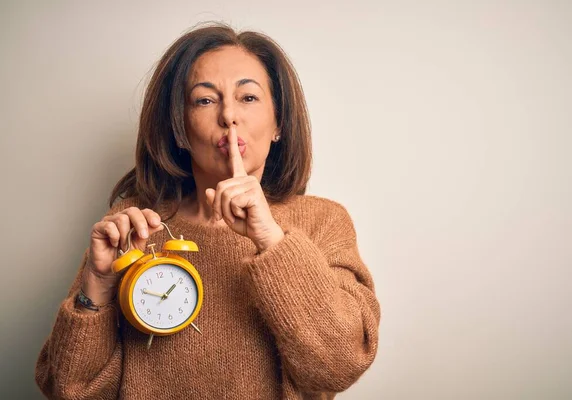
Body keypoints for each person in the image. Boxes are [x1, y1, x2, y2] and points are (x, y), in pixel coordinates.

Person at [35, 22, 380, 399]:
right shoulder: (134, 225)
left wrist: (272, 238)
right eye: (204, 100)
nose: (228, 116)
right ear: (179, 128)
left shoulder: (322, 222)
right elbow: (66, 389)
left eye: (248, 98)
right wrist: (97, 284)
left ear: (279, 122)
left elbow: (340, 366)